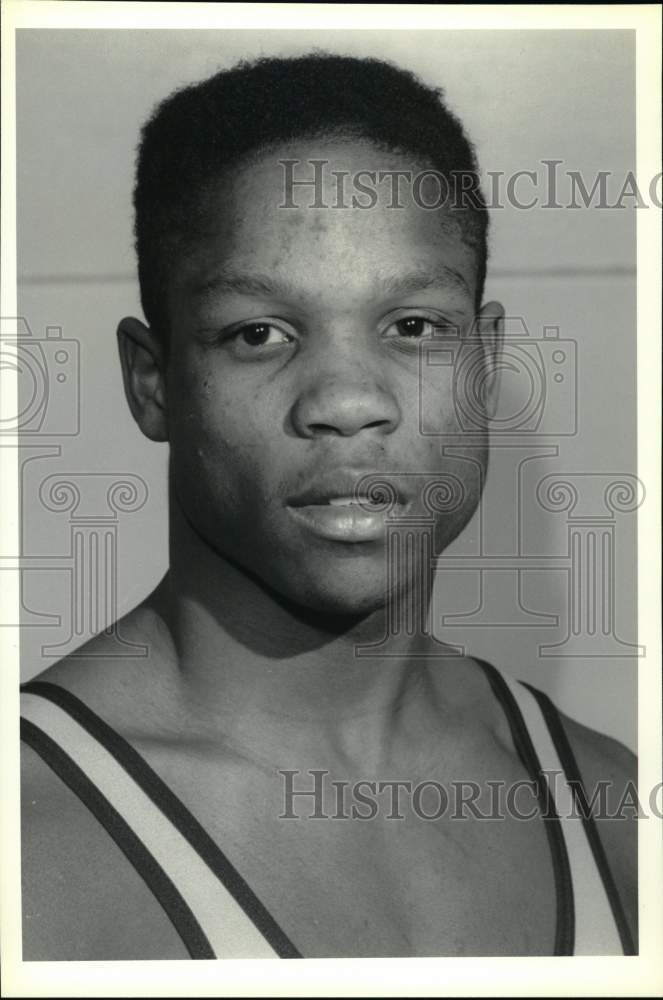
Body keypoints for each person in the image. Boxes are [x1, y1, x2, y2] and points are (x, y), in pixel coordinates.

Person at [20, 53, 637, 960]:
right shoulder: (29, 837)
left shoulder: (611, 806)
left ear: (485, 361)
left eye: (414, 327)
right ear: (153, 384)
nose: (347, 401)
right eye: (258, 334)